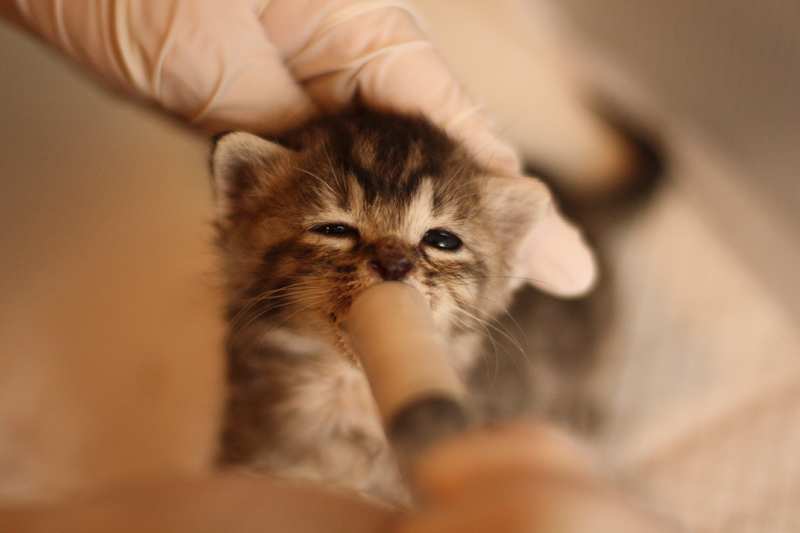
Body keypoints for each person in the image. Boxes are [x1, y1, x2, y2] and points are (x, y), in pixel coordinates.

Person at [0, 1, 674, 531]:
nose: (394, 261)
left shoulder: (489, 408)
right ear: (243, 202)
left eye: (441, 241)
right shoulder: (260, 417)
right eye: (335, 229)